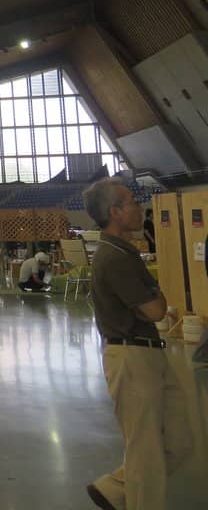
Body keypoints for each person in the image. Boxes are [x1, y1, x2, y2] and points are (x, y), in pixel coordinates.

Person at [82, 179, 191, 510]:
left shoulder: (126, 253)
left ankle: (114, 488)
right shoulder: (115, 259)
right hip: (131, 356)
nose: (138, 206)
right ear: (115, 212)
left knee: (179, 441)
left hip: (148, 351)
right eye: (131, 202)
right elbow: (156, 309)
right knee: (146, 454)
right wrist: (159, 293)